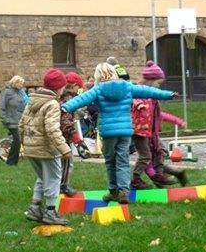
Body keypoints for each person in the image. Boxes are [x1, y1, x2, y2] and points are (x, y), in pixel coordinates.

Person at [62, 62, 175, 204]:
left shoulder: (98, 89)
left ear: (98, 76)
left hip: (108, 133)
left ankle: (114, 191)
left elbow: (81, 100)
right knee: (122, 161)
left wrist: (65, 107)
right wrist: (168, 95)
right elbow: (148, 91)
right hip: (125, 132)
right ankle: (124, 192)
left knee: (111, 162)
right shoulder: (127, 86)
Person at [19, 69, 71, 225]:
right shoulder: (52, 103)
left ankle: (35, 207)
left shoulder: (32, 101)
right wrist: (64, 149)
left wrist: (24, 143)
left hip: (31, 148)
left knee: (42, 177)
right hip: (47, 149)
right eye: (63, 87)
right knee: (54, 178)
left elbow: (21, 124)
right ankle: (50, 211)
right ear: (58, 88)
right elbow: (52, 129)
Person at [131, 61, 187, 189]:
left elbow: (160, 115)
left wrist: (178, 121)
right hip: (140, 132)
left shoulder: (153, 99)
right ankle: (152, 179)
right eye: (158, 83)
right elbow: (133, 104)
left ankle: (166, 176)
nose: (158, 87)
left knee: (158, 153)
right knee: (147, 158)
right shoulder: (139, 94)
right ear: (150, 80)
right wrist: (138, 104)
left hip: (151, 134)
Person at [58, 72, 86, 196]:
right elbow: (66, 123)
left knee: (58, 163)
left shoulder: (60, 97)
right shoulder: (69, 101)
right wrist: (78, 140)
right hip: (63, 137)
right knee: (67, 162)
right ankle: (63, 186)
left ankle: (57, 185)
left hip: (57, 136)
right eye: (78, 87)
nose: (78, 90)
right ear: (74, 85)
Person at [0, 75, 28, 166]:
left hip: (20, 120)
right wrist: (4, 119)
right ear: (14, 82)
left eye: (22, 84)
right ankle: (12, 161)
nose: (21, 85)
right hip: (10, 121)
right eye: (20, 83)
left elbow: (27, 103)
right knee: (17, 140)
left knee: (17, 141)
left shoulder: (22, 92)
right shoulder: (6, 92)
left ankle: (11, 160)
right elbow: (2, 107)